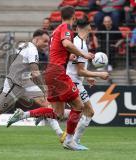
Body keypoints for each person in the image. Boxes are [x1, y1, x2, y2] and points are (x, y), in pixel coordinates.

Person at [7, 6, 94, 151]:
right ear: (73, 17)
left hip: (51, 72)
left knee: (58, 113)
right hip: (59, 73)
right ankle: (70, 141)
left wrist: (70, 56)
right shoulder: (66, 27)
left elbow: (61, 48)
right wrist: (84, 55)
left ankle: (23, 114)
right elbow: (66, 44)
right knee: (79, 106)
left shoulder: (56, 30)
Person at [34, 17, 109, 149]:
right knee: (88, 111)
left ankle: (36, 114)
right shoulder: (80, 44)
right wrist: (99, 74)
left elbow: (73, 65)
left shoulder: (77, 42)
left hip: (70, 79)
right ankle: (73, 141)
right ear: (89, 27)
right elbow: (79, 71)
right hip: (72, 81)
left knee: (61, 113)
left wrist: (88, 77)